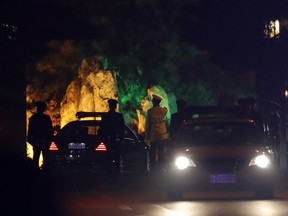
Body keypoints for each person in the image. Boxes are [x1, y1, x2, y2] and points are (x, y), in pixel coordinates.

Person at [99, 99, 125, 177]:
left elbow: (102, 128)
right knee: (117, 156)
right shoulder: (119, 116)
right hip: (116, 139)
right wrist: (121, 138)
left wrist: (102, 138)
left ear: (109, 106)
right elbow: (122, 128)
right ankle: (117, 172)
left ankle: (108, 172)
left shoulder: (105, 116)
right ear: (115, 107)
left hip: (108, 139)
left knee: (108, 156)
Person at [27, 101, 53, 172]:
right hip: (43, 142)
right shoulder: (46, 118)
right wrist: (48, 141)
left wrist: (33, 142)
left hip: (38, 142)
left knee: (37, 159)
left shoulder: (33, 118)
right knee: (45, 159)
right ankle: (44, 173)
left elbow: (30, 133)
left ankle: (36, 173)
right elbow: (50, 131)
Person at [145, 94, 169, 172]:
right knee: (161, 153)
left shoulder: (150, 112)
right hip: (162, 136)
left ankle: (153, 168)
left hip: (154, 136)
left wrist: (147, 138)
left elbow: (148, 126)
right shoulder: (164, 110)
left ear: (154, 102)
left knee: (153, 153)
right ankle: (161, 168)